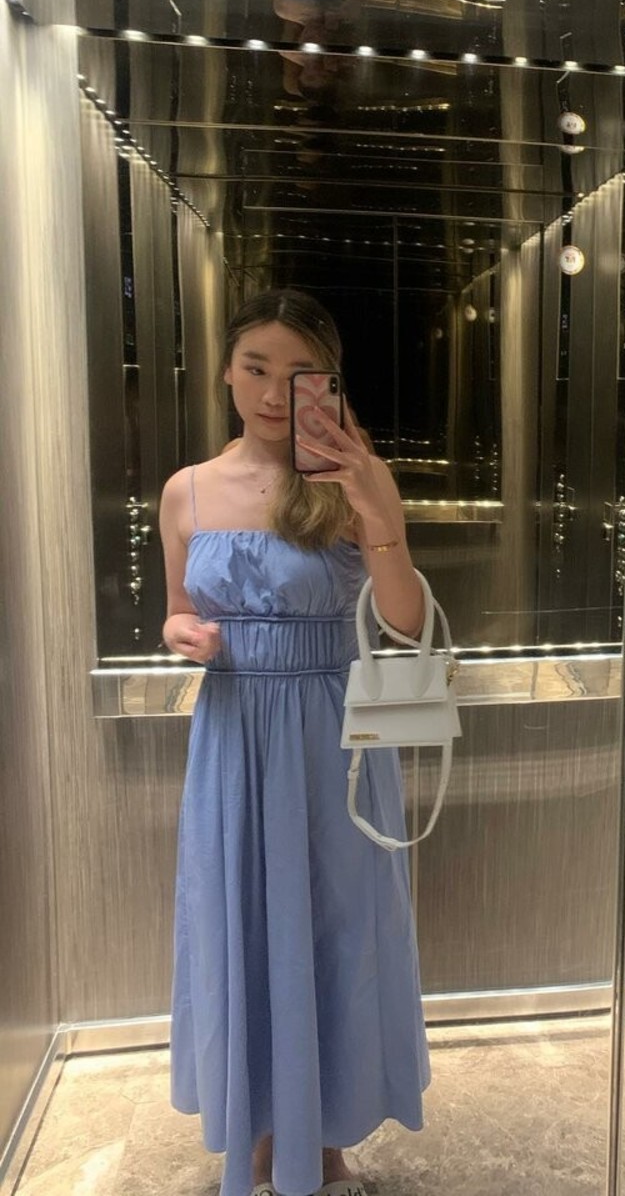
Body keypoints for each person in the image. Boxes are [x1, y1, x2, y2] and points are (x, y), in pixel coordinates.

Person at [158, 289, 430, 1196]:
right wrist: (183, 634)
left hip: (334, 737)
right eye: (257, 368)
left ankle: (327, 1141)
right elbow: (178, 609)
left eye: (301, 373)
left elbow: (404, 624)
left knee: (337, 928)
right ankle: (262, 1134)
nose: (275, 393)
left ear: (331, 383)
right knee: (240, 925)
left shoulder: (350, 480)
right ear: (227, 373)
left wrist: (378, 513)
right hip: (234, 735)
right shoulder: (187, 490)